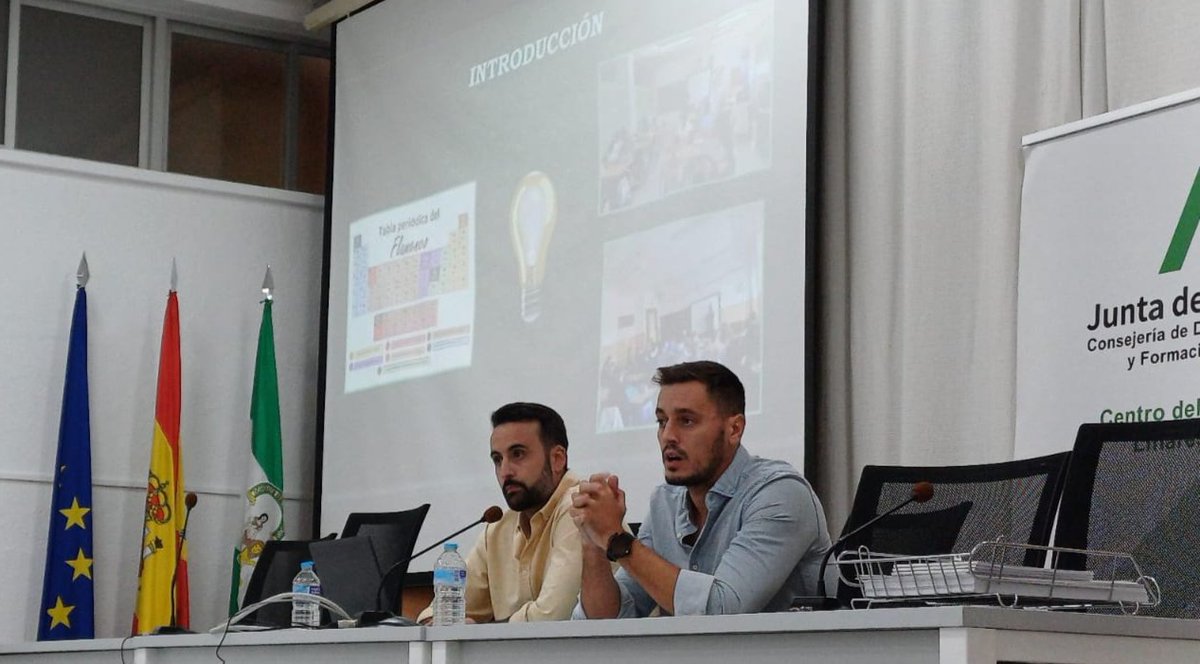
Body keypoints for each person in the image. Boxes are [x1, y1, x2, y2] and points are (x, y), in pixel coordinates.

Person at [571, 360, 831, 618]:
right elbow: (609, 621)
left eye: (686, 421)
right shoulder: (664, 502)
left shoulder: (780, 493)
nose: (668, 436)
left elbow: (723, 610)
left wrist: (619, 540)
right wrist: (594, 541)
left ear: (734, 429)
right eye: (662, 422)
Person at [417, 402, 583, 623]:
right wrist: (440, 623)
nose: (505, 471)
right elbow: (435, 613)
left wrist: (476, 631)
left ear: (557, 459)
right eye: (497, 459)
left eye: (518, 454)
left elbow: (551, 617)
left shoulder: (580, 506)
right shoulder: (497, 528)